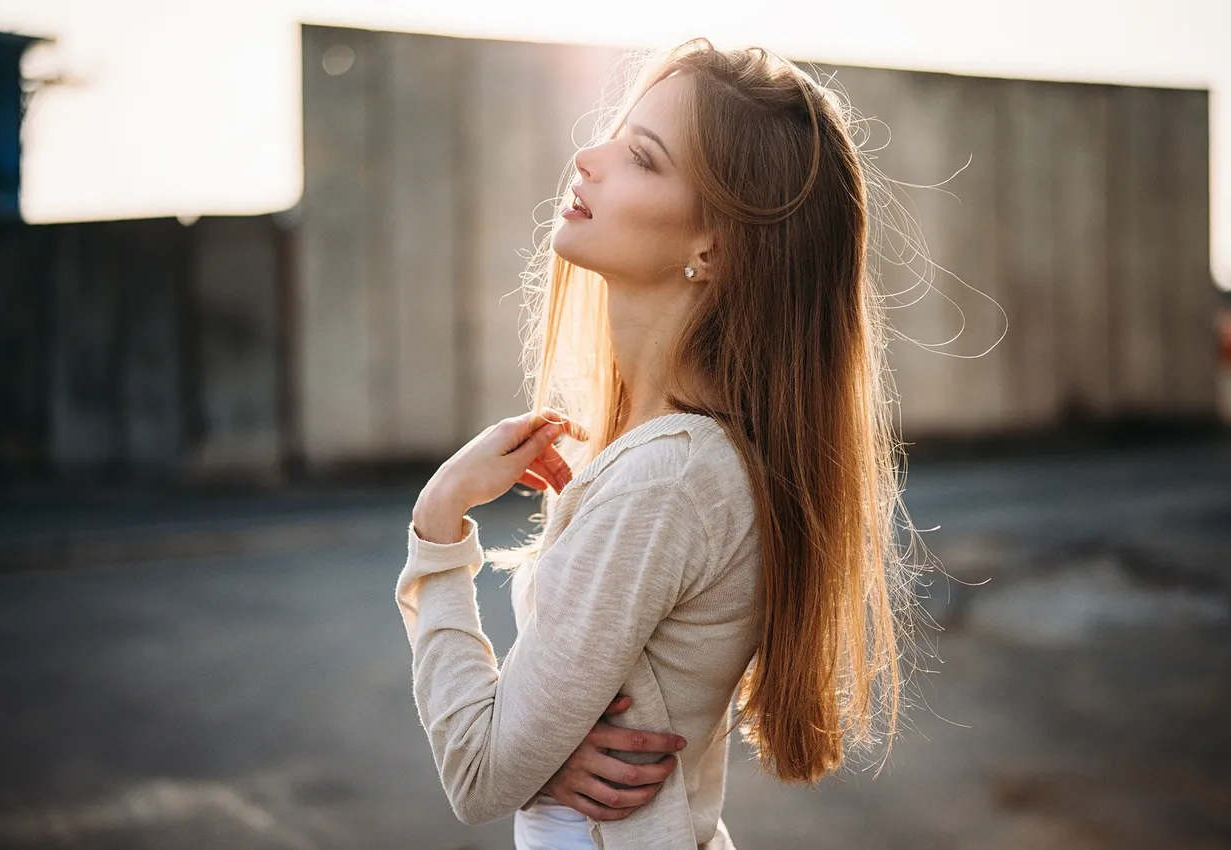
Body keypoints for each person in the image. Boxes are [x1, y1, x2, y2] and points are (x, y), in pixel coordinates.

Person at [396, 37, 925, 849]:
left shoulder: (668, 478)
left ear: (711, 247)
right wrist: (539, 750)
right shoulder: (676, 457)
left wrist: (439, 526)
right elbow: (524, 744)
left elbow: (479, 773)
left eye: (642, 157)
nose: (589, 156)